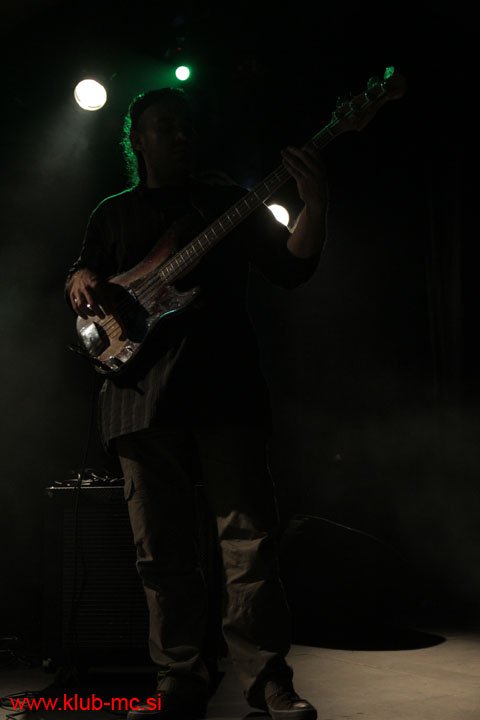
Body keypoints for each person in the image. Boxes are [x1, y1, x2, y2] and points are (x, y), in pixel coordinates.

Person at [65, 87, 329, 720]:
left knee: (249, 545)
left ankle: (268, 682)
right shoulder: (111, 214)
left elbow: (293, 267)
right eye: (166, 127)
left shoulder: (227, 203)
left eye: (187, 126)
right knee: (161, 553)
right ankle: (179, 680)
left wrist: (316, 202)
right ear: (137, 140)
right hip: (137, 400)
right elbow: (83, 282)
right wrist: (78, 277)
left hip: (224, 391)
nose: (181, 136)